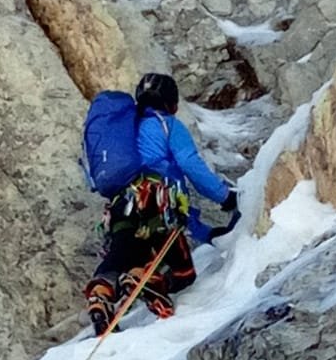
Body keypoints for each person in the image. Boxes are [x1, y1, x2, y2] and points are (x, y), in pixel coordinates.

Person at [84, 73, 237, 334]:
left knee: (122, 253)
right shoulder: (168, 125)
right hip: (156, 201)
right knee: (183, 272)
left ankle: (101, 294)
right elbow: (190, 164)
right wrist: (225, 196)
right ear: (171, 103)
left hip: (120, 205)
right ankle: (145, 280)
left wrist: (207, 233)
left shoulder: (125, 130)